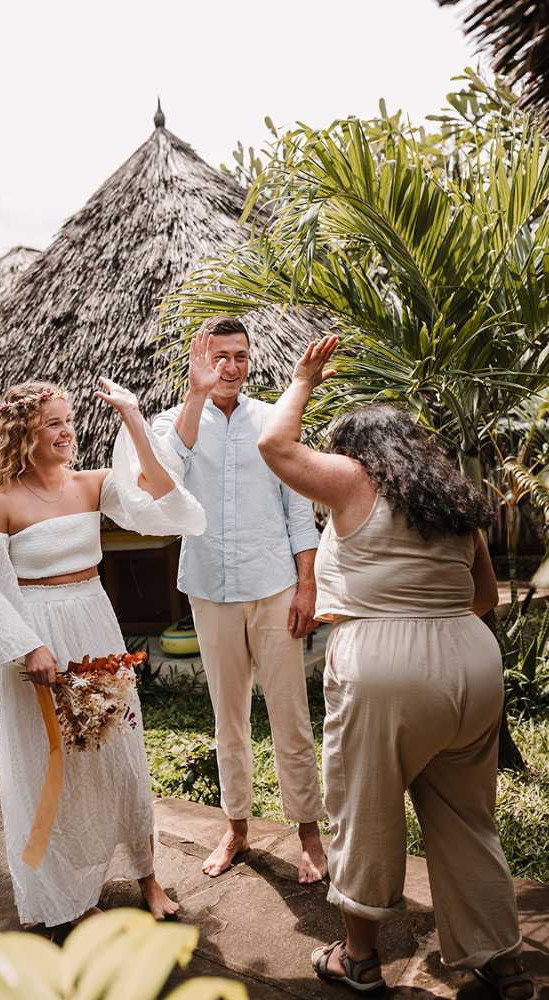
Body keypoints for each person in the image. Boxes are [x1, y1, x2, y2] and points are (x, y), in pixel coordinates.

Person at [257, 334, 536, 999]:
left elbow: (274, 446)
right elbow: (480, 598)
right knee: (466, 818)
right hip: (471, 666)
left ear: (354, 451)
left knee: (365, 809)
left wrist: (300, 380)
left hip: (384, 665)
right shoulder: (451, 502)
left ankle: (356, 959)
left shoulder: (354, 478)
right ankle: (502, 961)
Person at [0, 377, 205, 927]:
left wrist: (135, 419)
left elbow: (162, 502)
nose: (67, 431)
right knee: (55, 762)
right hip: (38, 637)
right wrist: (29, 647)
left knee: (119, 751)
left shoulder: (93, 483)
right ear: (23, 432)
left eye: (69, 420)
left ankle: (147, 874)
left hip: (95, 623)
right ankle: (71, 892)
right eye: (53, 423)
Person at [153, 315, 327, 883]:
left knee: (290, 715)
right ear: (200, 358)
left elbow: (297, 507)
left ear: (251, 360)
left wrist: (307, 584)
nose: (231, 367)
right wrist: (195, 395)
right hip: (209, 589)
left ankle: (308, 834)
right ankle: (237, 828)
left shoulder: (272, 422)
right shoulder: (175, 424)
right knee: (228, 717)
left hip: (274, 585)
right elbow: (163, 476)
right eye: (219, 356)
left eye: (240, 356)